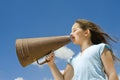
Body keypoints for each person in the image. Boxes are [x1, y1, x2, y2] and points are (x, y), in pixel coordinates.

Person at [45, 19, 119, 80]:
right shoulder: (73, 60)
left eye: (74, 30)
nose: (71, 34)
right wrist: (52, 65)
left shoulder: (100, 48)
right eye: (71, 31)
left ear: (86, 32)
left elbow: (111, 73)